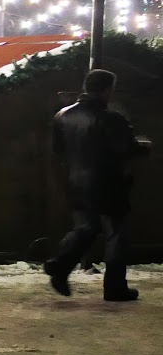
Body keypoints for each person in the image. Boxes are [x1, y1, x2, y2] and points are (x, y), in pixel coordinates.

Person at [45, 69, 151, 301]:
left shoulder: (63, 115)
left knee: (85, 227)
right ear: (108, 89)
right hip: (109, 183)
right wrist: (143, 146)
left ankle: (60, 264)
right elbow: (126, 149)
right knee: (116, 234)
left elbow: (58, 150)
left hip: (76, 181)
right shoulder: (111, 118)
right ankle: (115, 288)